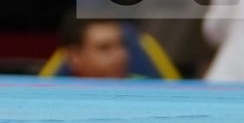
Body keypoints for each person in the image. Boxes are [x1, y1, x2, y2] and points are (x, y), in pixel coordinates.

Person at [41, 16, 179, 79]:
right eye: (104, 48)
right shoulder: (48, 96)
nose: (119, 55)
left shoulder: (151, 92)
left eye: (122, 45)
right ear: (74, 57)